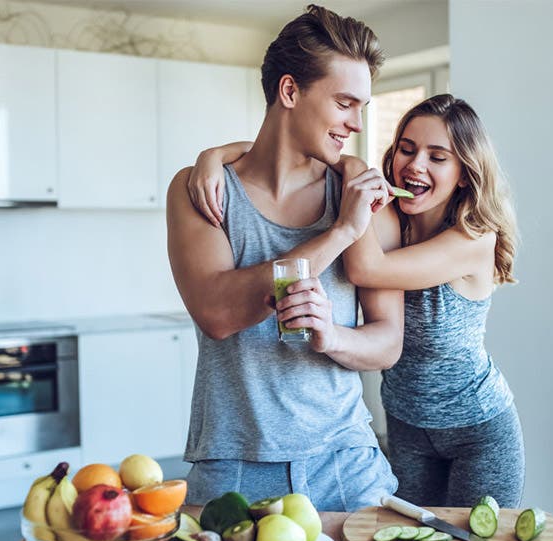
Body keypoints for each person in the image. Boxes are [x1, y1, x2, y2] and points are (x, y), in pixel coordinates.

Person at [190, 94, 525, 508]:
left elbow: (366, 269)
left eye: (438, 157)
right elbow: (284, 146)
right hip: (405, 426)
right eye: (407, 149)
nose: (416, 165)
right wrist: (215, 155)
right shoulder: (390, 219)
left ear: (463, 174)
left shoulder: (473, 240)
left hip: (477, 430)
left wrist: (351, 170)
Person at [165, 5, 403, 512]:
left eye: (361, 107)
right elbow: (217, 313)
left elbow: (387, 344)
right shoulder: (204, 189)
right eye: (344, 104)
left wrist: (332, 335)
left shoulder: (358, 190)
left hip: (348, 466)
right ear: (290, 91)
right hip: (234, 467)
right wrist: (339, 233)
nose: (356, 125)